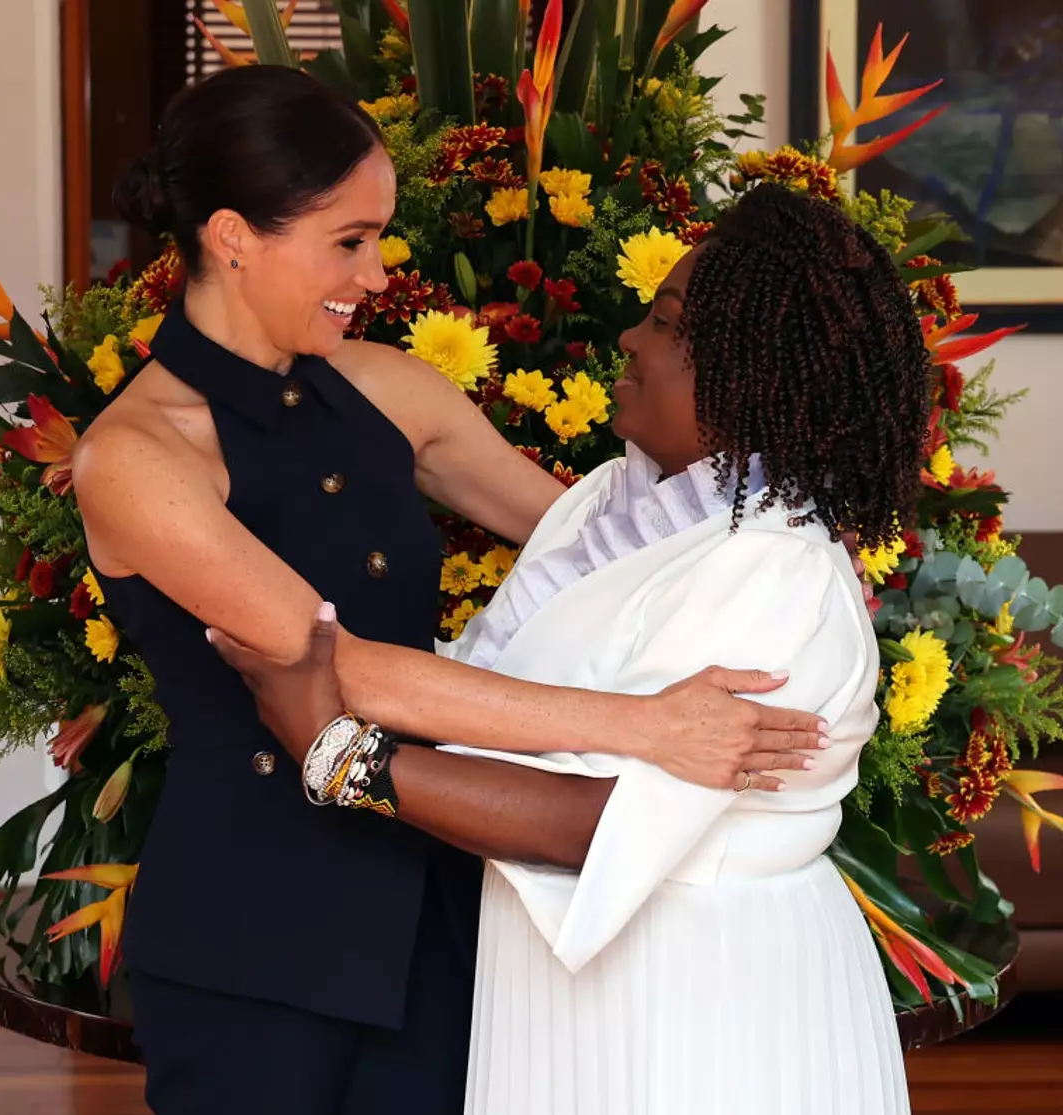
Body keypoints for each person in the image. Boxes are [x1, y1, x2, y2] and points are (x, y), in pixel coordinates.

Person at [74, 66, 832, 1115]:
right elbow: (340, 667)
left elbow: (609, 545)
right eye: (348, 240)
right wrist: (648, 727)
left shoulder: (392, 388)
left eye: (378, 237)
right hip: (255, 932)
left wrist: (788, 568)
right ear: (234, 234)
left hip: (443, 903)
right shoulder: (136, 457)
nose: (378, 274)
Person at [216, 182, 929, 1114]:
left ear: (756, 373)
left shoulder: (777, 575)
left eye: (666, 323)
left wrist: (341, 753)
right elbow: (488, 688)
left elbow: (600, 821)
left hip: (704, 994)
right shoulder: (609, 500)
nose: (631, 338)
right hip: (570, 971)